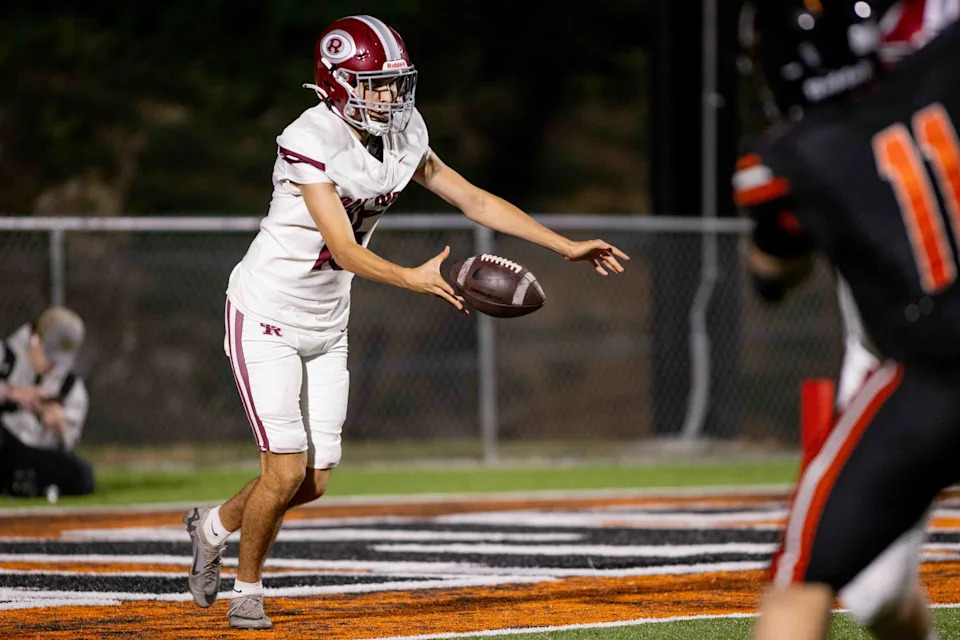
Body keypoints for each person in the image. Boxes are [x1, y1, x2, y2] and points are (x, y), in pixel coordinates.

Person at [182, 14, 629, 630]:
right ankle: (247, 590)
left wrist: (564, 245)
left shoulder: (403, 133)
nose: (391, 96)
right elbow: (343, 249)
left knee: (311, 481)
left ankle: (211, 526)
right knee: (282, 470)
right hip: (267, 314)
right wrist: (413, 278)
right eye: (376, 84)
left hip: (328, 318)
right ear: (337, 82)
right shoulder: (310, 137)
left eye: (395, 83)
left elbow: (473, 198)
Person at [734, 2, 960, 639]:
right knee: (876, 596)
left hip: (929, 380)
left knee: (798, 580)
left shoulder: (783, 162)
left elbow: (771, 275)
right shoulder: (943, 72)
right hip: (914, 367)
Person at [0, 307, 93, 499]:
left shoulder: (71, 386)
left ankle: (22, 486)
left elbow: (68, 442)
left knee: (81, 474)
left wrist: (60, 427)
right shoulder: (5, 357)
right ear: (34, 339)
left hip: (32, 455)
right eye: (49, 355)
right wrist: (11, 393)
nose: (53, 364)